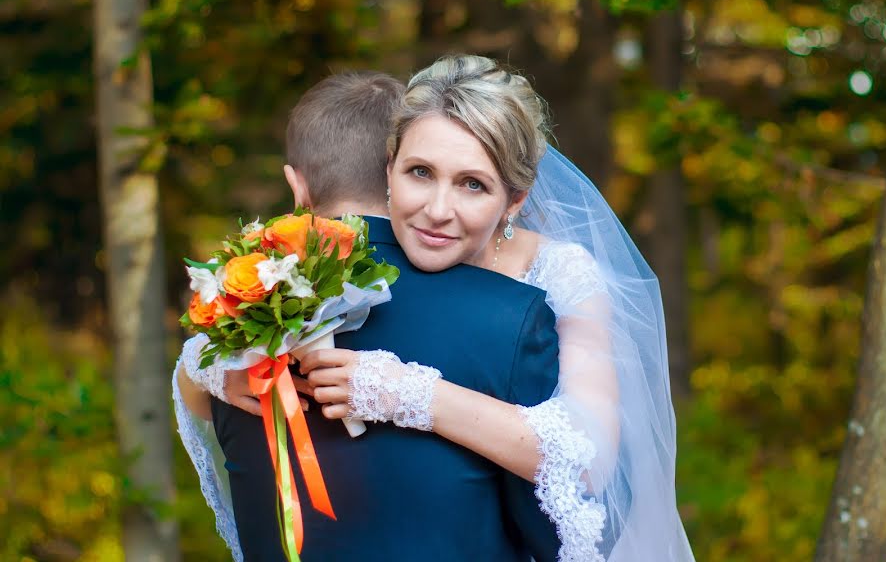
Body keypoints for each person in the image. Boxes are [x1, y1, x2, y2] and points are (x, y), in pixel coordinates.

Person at [293, 55, 696, 561]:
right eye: (421, 172)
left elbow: (589, 458)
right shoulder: (346, 253)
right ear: (389, 168)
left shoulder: (562, 275)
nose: (437, 211)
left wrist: (407, 393)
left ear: (514, 201)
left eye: (472, 184)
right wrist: (222, 375)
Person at [174, 70, 563, 561]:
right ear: (390, 171)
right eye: (423, 172)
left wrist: (200, 364)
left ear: (296, 185)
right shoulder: (511, 319)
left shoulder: (235, 325)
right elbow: (558, 529)